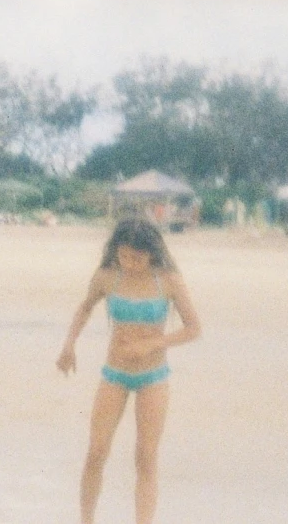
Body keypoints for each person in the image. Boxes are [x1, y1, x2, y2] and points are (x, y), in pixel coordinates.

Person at [57, 216, 201, 524]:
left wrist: (151, 345)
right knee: (96, 451)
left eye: (137, 257)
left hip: (154, 377)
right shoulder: (108, 277)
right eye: (124, 256)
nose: (130, 263)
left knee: (146, 457)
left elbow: (193, 328)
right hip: (115, 374)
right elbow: (85, 307)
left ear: (152, 253)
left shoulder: (168, 280)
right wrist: (69, 344)